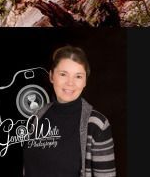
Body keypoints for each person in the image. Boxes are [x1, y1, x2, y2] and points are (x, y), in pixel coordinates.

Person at [23, 46, 116, 177]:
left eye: (78, 76)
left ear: (85, 81)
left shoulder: (97, 124)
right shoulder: (38, 115)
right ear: (51, 76)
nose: (70, 83)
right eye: (63, 74)